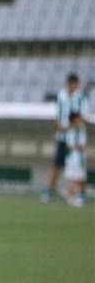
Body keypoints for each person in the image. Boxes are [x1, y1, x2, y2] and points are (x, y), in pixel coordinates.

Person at [42, 73, 89, 202]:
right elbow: (57, 117)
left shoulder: (81, 98)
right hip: (63, 138)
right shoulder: (61, 96)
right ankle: (49, 191)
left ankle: (81, 192)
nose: (71, 87)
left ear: (77, 84)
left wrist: (70, 126)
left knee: (79, 168)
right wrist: (59, 126)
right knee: (57, 164)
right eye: (70, 85)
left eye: (74, 85)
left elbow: (83, 119)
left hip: (76, 139)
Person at [64, 112, 87, 207]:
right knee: (76, 179)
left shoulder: (81, 130)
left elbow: (81, 146)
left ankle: (71, 196)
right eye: (78, 119)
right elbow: (71, 146)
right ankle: (72, 197)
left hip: (79, 158)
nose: (80, 121)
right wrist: (78, 147)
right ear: (74, 120)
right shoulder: (71, 132)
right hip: (74, 159)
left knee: (78, 179)